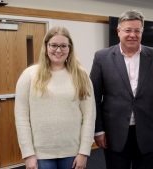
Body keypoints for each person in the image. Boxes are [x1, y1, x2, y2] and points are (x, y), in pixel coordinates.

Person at [90, 10, 153, 169]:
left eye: (137, 30)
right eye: (128, 30)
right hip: (114, 133)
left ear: (142, 32)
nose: (132, 35)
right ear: (119, 31)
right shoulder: (102, 57)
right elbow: (93, 97)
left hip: (147, 132)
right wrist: (98, 130)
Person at [15, 26, 96, 169]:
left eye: (63, 46)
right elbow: (21, 117)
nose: (58, 50)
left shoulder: (81, 75)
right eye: (53, 45)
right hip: (41, 154)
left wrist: (84, 152)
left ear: (69, 48)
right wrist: (28, 154)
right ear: (46, 46)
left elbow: (89, 115)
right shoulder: (29, 75)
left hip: (73, 152)